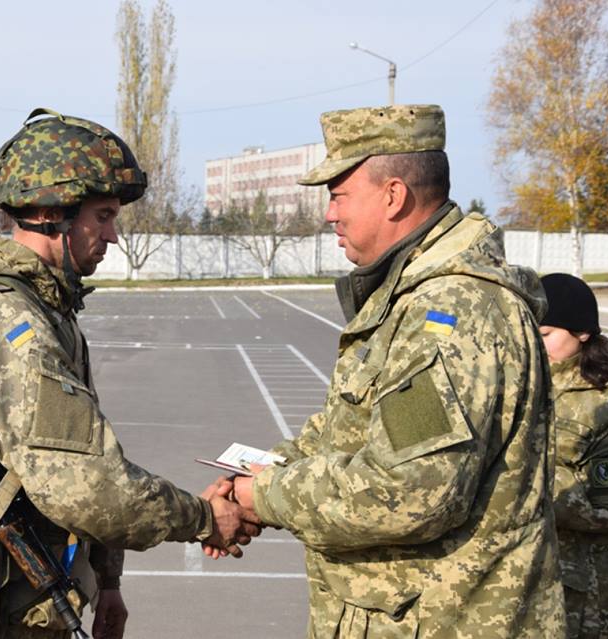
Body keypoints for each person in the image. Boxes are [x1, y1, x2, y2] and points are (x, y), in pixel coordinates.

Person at [0, 109, 259, 639]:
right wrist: (206, 519)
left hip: (28, 594)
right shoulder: (10, 322)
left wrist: (107, 579)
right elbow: (85, 487)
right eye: (103, 215)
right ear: (53, 213)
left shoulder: (45, 308)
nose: (113, 236)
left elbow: (80, 455)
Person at [222, 105, 564, 637]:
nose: (330, 215)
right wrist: (263, 473)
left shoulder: (450, 312)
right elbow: (352, 431)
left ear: (394, 195)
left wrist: (264, 497)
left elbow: (409, 492)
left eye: (339, 195)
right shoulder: (412, 298)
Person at [540, 273, 608, 638]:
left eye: (546, 336)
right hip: (534, 577)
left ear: (582, 333)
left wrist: (529, 475)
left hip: (587, 596)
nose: (536, 347)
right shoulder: (524, 384)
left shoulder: (606, 404)